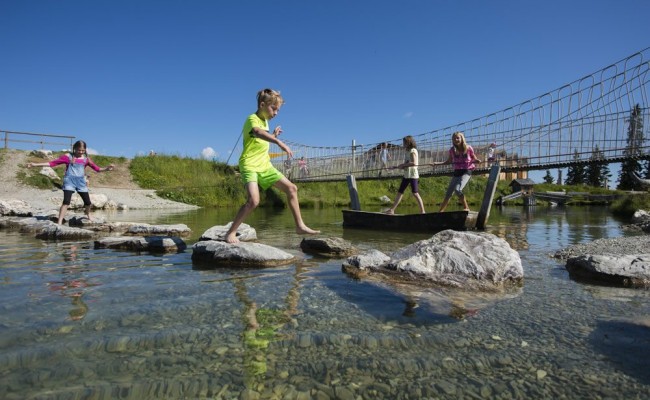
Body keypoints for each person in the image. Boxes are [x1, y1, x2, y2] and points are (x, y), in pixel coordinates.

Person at [224, 88, 320, 244]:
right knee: (254, 201)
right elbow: (256, 132)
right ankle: (230, 233)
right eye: (273, 108)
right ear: (262, 104)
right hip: (249, 164)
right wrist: (278, 141)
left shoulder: (265, 122)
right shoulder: (252, 119)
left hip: (264, 165)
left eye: (278, 110)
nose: (276, 113)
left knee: (292, 188)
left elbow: (261, 140)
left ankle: (300, 226)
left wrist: (274, 135)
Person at [26, 140, 115, 224]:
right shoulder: (68, 157)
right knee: (66, 202)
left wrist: (107, 168)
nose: (81, 152)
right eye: (79, 150)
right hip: (69, 181)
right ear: (74, 148)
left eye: (83, 150)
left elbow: (98, 169)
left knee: (88, 203)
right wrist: (35, 165)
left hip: (81, 182)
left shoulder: (86, 159)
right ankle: (59, 221)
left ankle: (88, 214)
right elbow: (52, 163)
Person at [431, 131, 481, 212]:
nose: (456, 139)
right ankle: (440, 212)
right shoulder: (452, 150)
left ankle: (466, 208)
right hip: (457, 171)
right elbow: (448, 161)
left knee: (458, 190)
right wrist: (437, 164)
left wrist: (477, 160)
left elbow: (473, 158)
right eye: (454, 138)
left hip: (466, 171)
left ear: (462, 138)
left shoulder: (468, 148)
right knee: (448, 193)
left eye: (458, 138)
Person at [384, 135, 426, 215]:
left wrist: (403, 165)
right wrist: (397, 167)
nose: (403, 144)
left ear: (408, 143)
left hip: (413, 175)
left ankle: (423, 211)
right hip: (407, 175)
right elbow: (407, 164)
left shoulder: (413, 150)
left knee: (415, 193)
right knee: (400, 192)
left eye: (404, 142)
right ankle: (392, 210)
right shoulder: (407, 151)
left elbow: (414, 163)